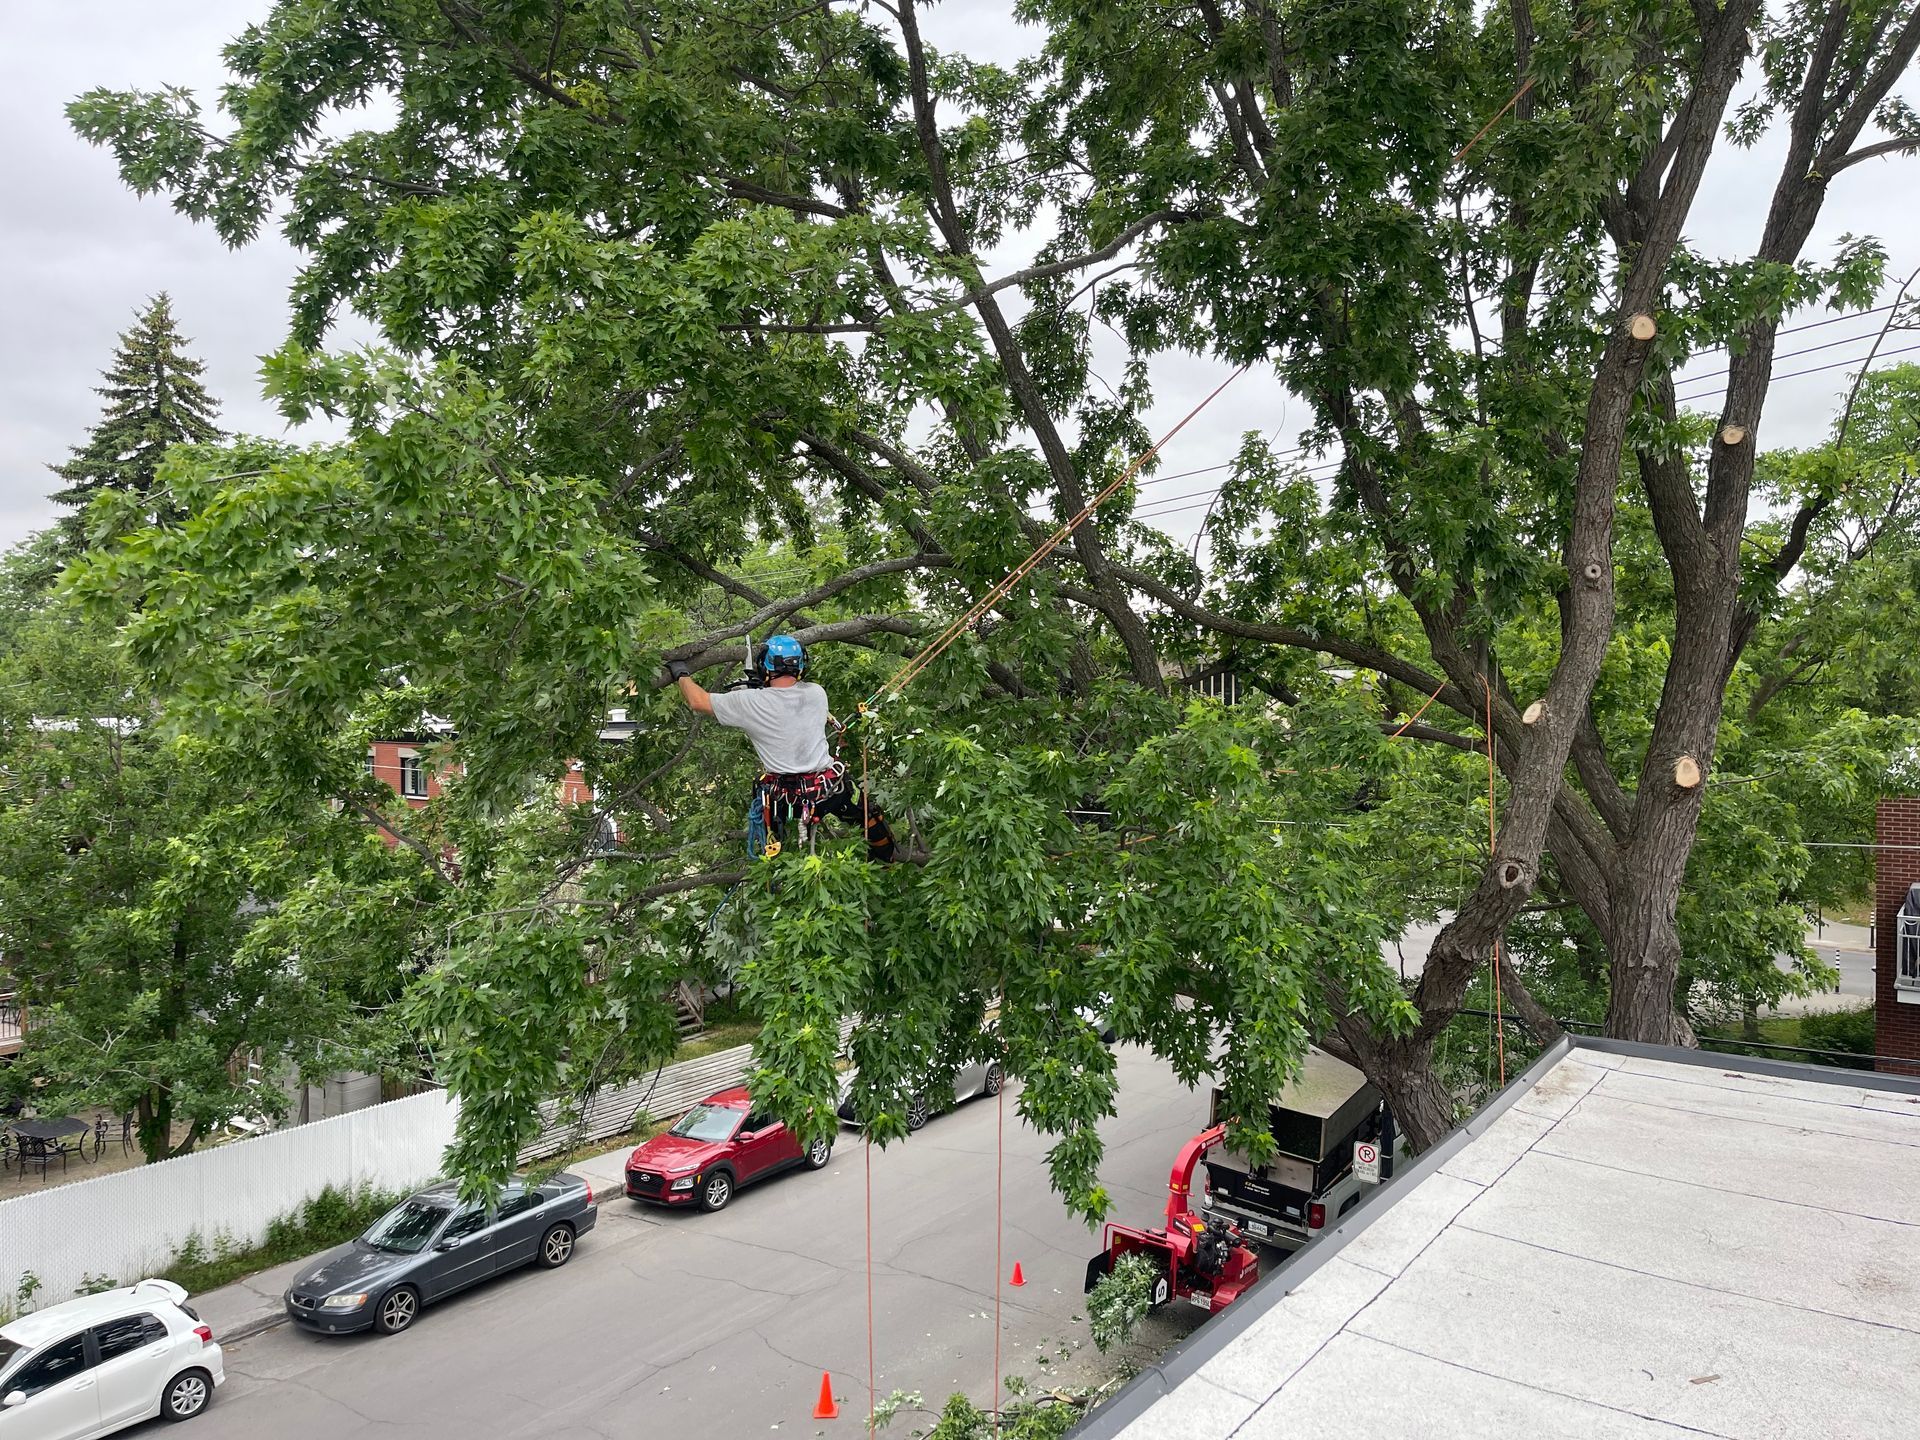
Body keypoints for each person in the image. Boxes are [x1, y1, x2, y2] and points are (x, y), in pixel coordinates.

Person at [669, 635, 896, 862]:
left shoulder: (748, 702)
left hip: (787, 799)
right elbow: (785, 703)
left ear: (764, 666)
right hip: (829, 791)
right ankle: (886, 859)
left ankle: (773, 860)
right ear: (800, 666)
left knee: (767, 811)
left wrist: (681, 672)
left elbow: (698, 701)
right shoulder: (817, 693)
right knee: (868, 815)